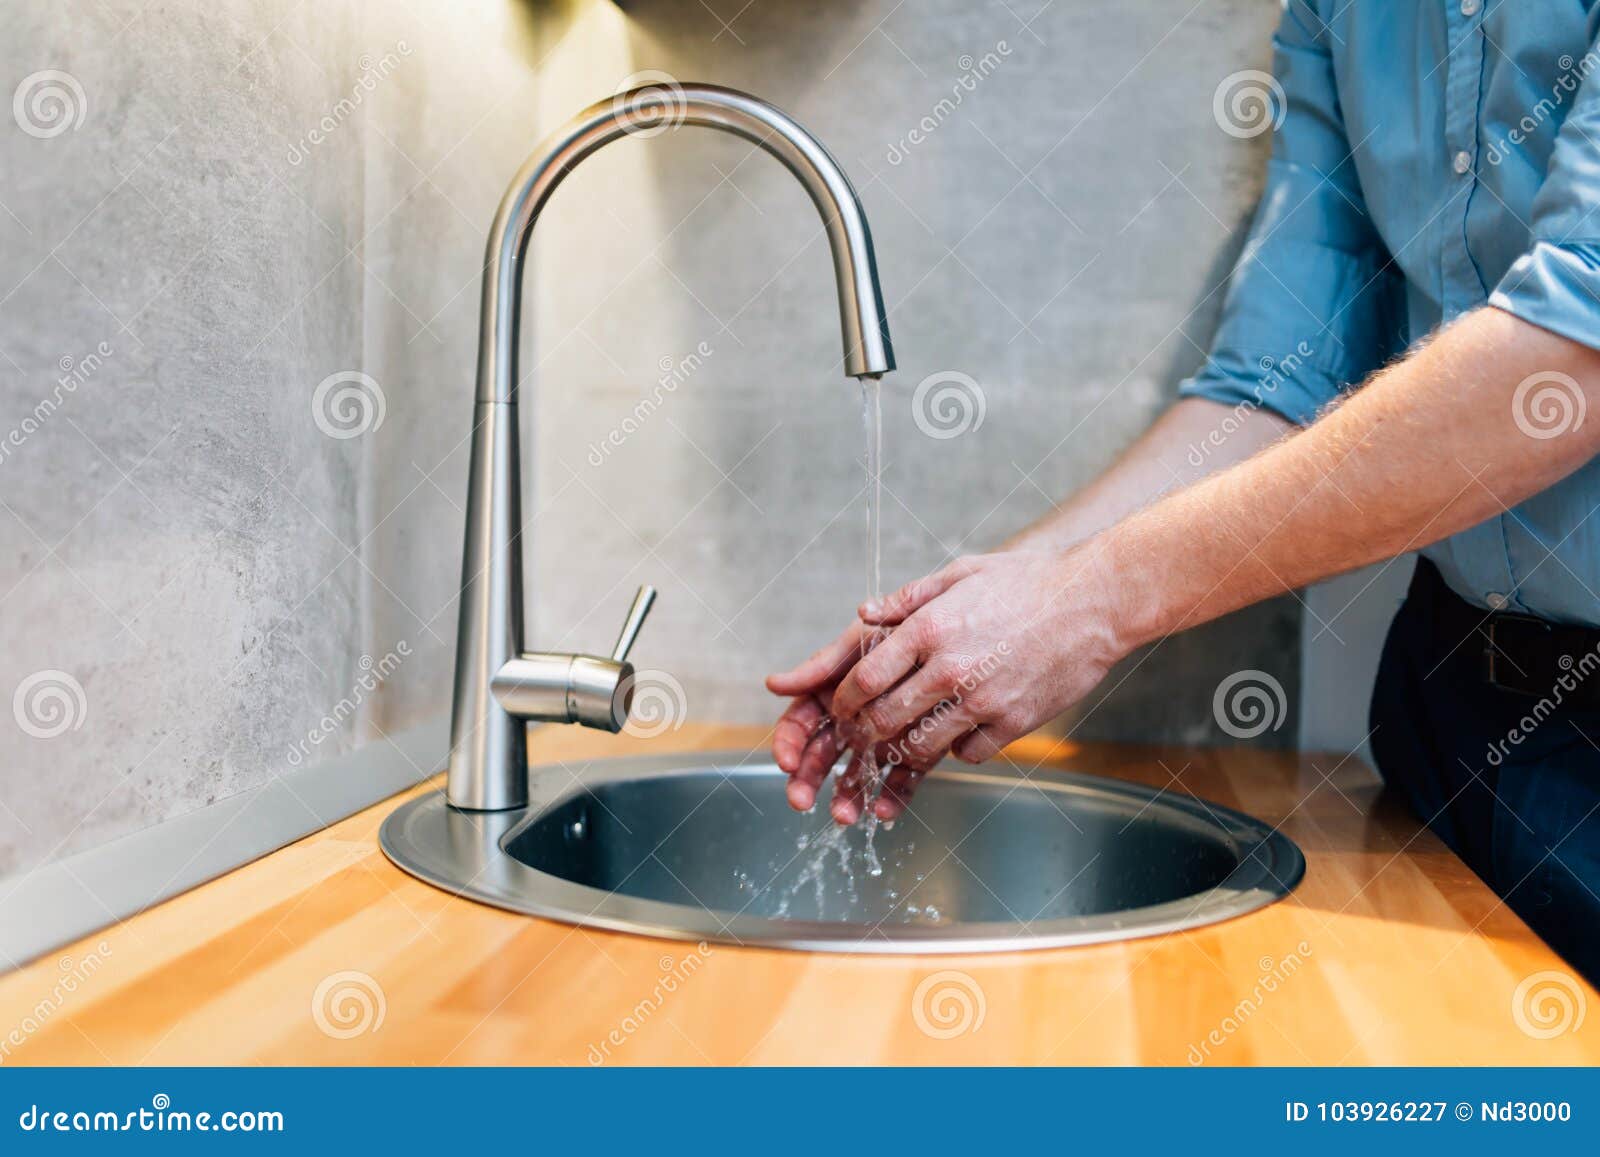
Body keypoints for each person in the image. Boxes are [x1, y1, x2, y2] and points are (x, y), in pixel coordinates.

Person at [766, 1, 1600, 983]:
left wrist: (1084, 603)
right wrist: (977, 615)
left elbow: (1566, 358)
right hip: (1447, 707)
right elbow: (1277, 379)